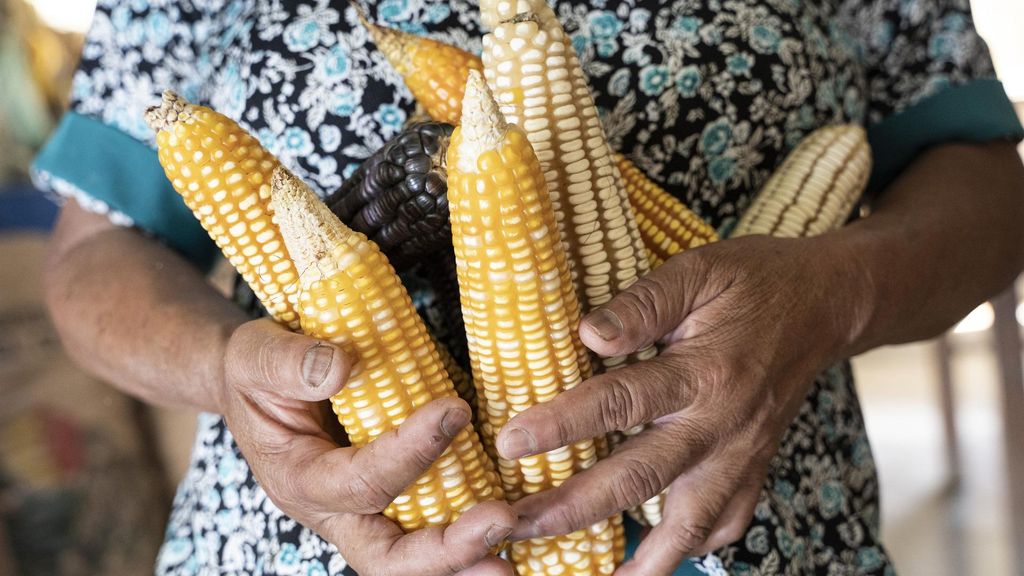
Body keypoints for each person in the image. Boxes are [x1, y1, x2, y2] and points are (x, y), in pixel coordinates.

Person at [34, 0, 1024, 574]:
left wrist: (832, 289)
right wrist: (224, 366)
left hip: (743, 529)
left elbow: (985, 183)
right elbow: (92, 257)